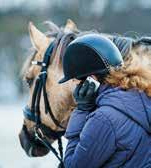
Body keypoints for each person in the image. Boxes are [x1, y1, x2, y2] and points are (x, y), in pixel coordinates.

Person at [59, 34, 151, 168]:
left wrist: (82, 110)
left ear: (91, 80)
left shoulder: (104, 119)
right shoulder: (140, 95)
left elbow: (72, 165)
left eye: (75, 80)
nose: (73, 85)